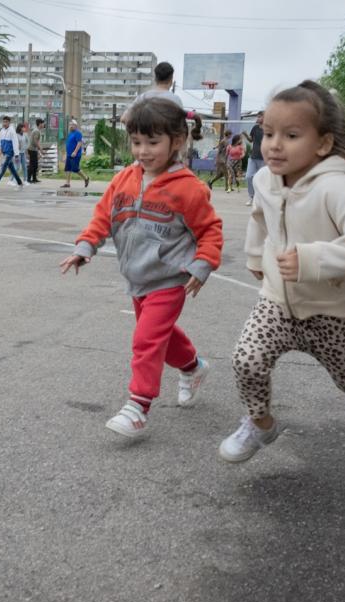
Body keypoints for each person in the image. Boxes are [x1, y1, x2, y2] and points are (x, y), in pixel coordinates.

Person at [218, 79, 345, 467]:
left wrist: (313, 259)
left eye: (291, 134)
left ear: (322, 143)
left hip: (331, 310)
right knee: (247, 360)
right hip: (277, 302)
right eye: (268, 133)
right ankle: (260, 423)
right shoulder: (264, 180)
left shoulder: (334, 188)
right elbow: (260, 216)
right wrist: (253, 255)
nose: (274, 144)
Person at [59, 99, 224, 438]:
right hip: (137, 278)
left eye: (153, 142)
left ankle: (138, 407)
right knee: (161, 337)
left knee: (146, 339)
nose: (143, 151)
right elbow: (102, 217)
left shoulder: (189, 188)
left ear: (176, 141)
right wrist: (85, 246)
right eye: (137, 142)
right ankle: (193, 368)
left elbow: (210, 230)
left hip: (170, 278)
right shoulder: (123, 180)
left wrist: (202, 265)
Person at [0, 115, 23, 190]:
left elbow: (15, 143)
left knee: (2, 168)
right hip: (4, 152)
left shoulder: (12, 131)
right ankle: (20, 183)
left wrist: (16, 154)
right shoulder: (2, 130)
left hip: (9, 153)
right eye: (4, 121)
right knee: (12, 169)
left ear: (9, 122)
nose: (4, 123)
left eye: (6, 122)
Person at [242, 111, 265, 206]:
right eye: (257, 116)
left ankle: (262, 199)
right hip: (253, 157)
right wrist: (246, 135)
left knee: (262, 180)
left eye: (259, 116)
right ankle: (252, 197)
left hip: (264, 158)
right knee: (248, 176)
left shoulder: (269, 129)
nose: (257, 118)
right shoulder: (255, 128)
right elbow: (251, 140)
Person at [62, 120, 89, 188]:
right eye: (70, 125)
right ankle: (67, 183)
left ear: (75, 126)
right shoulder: (70, 134)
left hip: (75, 155)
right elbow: (68, 144)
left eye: (72, 125)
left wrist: (75, 152)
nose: (70, 126)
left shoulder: (78, 133)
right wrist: (65, 153)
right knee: (67, 168)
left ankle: (86, 178)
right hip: (69, 154)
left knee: (75, 169)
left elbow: (79, 143)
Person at [28, 118, 44, 183]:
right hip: (32, 149)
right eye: (43, 123)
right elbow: (35, 141)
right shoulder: (36, 131)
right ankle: (28, 179)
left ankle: (34, 178)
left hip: (33, 149)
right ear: (40, 124)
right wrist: (40, 149)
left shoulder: (37, 130)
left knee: (35, 165)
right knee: (32, 165)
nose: (43, 125)